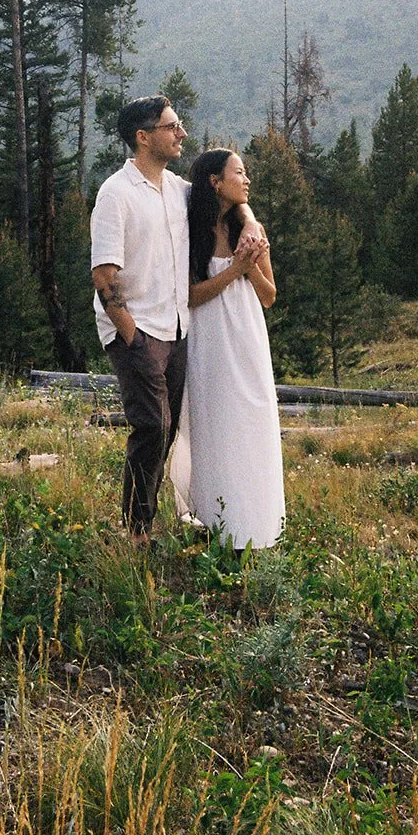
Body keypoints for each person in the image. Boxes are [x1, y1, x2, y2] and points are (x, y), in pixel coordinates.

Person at [170, 148, 285, 550]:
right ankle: (215, 525)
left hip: (248, 338)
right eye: (239, 172)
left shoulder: (250, 230)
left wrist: (250, 266)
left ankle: (257, 527)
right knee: (215, 428)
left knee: (253, 427)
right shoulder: (190, 230)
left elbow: (269, 296)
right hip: (208, 341)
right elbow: (188, 295)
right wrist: (233, 271)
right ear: (215, 182)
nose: (247, 179)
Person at [91, 95, 191, 540]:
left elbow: (224, 197)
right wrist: (131, 337)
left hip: (177, 328)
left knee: (166, 431)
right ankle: (136, 533)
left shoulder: (180, 190)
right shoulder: (115, 193)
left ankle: (145, 518)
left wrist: (247, 220)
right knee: (152, 425)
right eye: (172, 126)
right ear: (143, 137)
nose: (181, 133)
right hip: (137, 330)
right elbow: (103, 274)